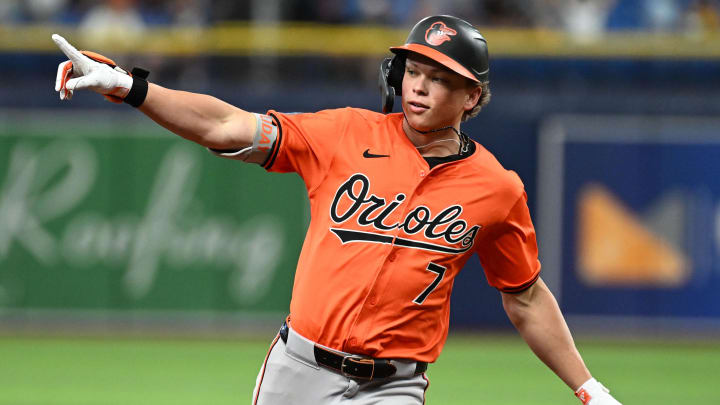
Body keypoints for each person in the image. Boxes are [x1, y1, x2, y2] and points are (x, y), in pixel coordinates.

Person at [52, 15, 622, 405]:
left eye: (440, 79)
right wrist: (131, 86)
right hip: (297, 369)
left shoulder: (497, 187)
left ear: (472, 96)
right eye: (413, 72)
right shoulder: (345, 133)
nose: (418, 87)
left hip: (393, 387)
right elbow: (226, 125)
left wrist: (587, 388)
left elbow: (524, 294)